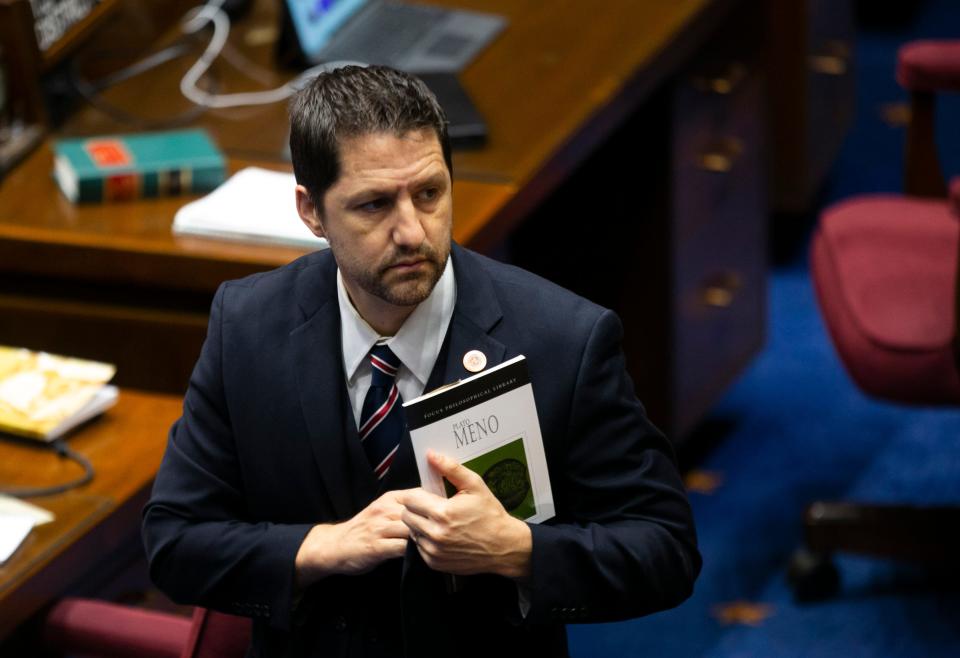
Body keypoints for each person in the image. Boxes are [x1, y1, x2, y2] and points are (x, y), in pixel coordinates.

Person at [142, 65, 700, 658]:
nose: (412, 232)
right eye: (374, 205)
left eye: (429, 193)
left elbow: (664, 549)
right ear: (311, 212)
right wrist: (318, 549)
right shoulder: (248, 328)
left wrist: (516, 550)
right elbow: (176, 542)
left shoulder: (564, 340)